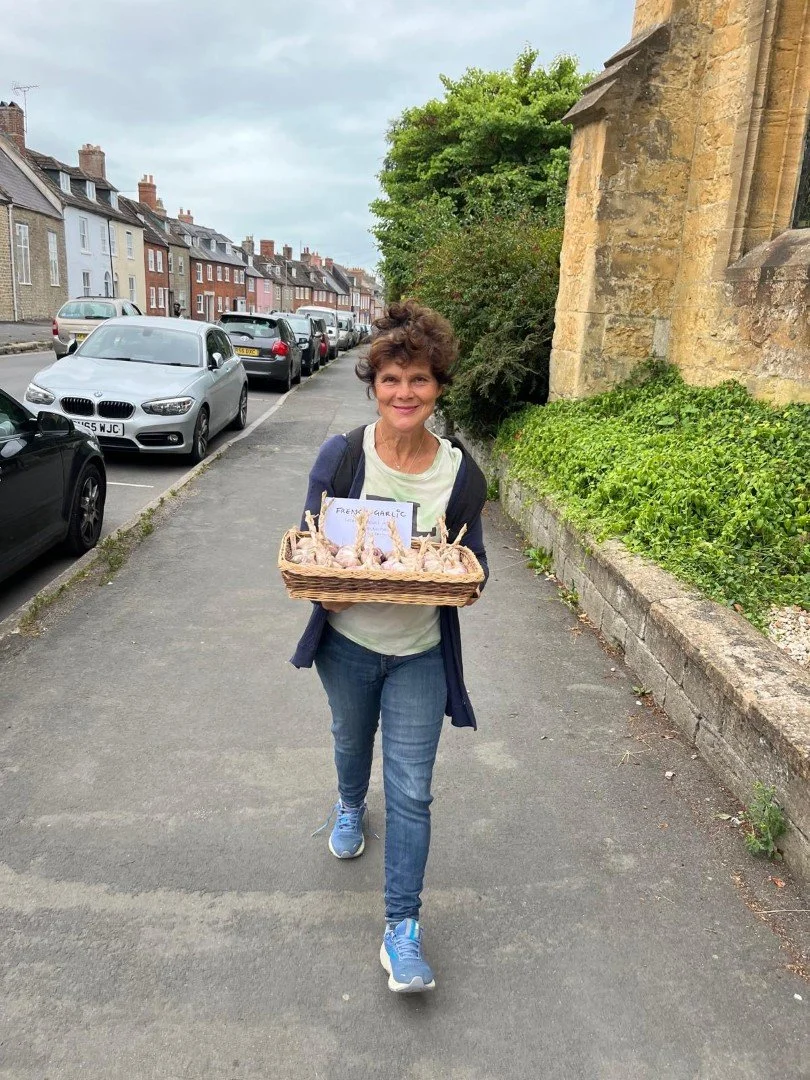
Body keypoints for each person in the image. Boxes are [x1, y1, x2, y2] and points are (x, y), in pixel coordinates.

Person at [291, 300, 489, 993]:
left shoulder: (460, 475)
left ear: (439, 388)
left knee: (412, 789)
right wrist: (327, 591)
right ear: (373, 385)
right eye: (391, 380)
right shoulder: (343, 456)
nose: (405, 394)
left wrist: (456, 575)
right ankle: (348, 803)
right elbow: (311, 543)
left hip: (421, 654)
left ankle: (402, 928)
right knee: (351, 741)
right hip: (346, 645)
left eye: (420, 381)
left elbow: (477, 565)